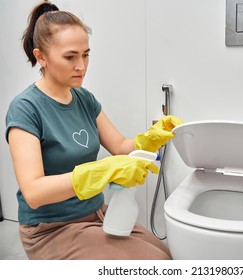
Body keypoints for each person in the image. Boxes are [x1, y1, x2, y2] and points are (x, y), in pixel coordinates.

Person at [5, 1, 182, 260]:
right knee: (151, 262)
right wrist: (101, 171)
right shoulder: (25, 108)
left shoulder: (84, 99)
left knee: (162, 252)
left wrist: (149, 139)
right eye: (70, 56)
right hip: (51, 228)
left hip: (96, 213)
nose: (81, 66)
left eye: (86, 54)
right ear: (40, 56)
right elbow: (33, 192)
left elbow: (120, 146)